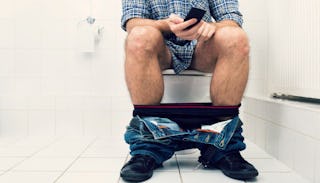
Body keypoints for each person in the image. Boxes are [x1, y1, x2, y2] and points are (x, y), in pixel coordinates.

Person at [119, 0, 258, 182]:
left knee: (236, 36)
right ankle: (149, 144)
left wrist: (210, 27)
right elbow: (132, 22)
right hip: (161, 48)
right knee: (139, 35)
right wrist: (164, 25)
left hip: (202, 47)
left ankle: (223, 144)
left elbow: (231, 19)